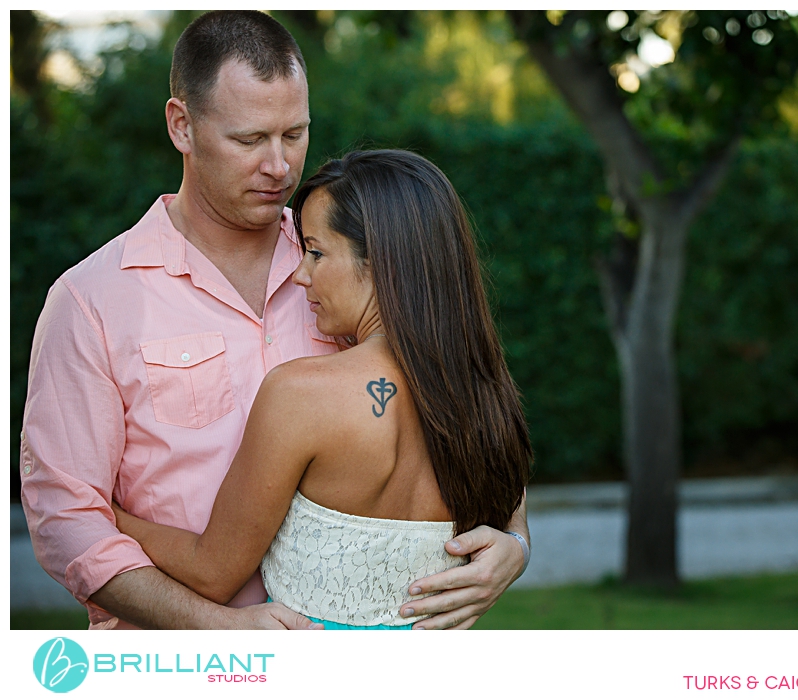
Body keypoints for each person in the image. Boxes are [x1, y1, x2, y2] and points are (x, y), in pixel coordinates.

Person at [20, 10, 529, 631]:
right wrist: (218, 627)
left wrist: (515, 540)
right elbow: (66, 518)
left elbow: (457, 393)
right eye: (249, 140)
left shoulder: (347, 266)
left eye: (295, 134)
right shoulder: (90, 301)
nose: (280, 166)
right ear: (182, 125)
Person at [111, 149, 533, 629]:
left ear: (380, 263)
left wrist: (111, 515)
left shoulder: (301, 395)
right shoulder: (485, 394)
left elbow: (213, 572)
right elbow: (509, 506)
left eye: (315, 251)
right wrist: (518, 543)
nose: (301, 274)